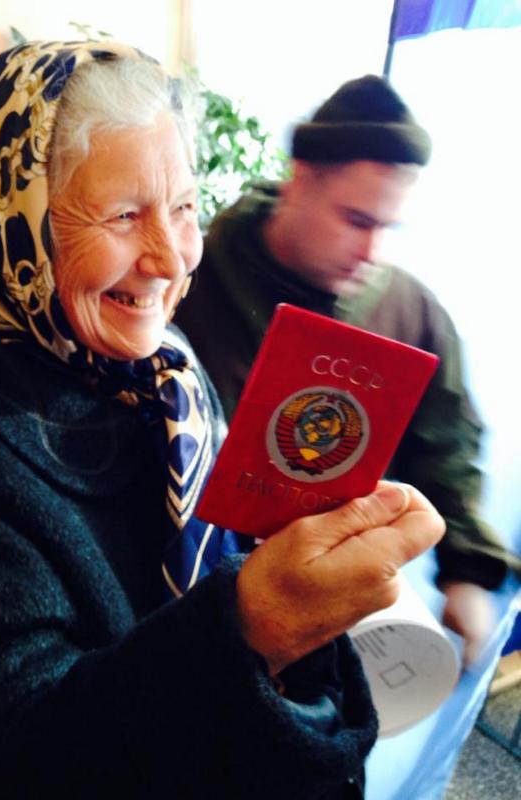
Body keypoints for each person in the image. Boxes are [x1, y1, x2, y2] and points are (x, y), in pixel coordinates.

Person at [0, 42, 446, 799]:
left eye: (184, 207)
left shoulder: (164, 369)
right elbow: (0, 767)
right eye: (123, 215)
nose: (170, 259)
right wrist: (251, 629)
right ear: (15, 219)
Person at [175, 74, 520, 666]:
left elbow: (448, 443)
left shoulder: (410, 308)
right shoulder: (188, 283)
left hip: (344, 608)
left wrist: (466, 570)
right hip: (195, 595)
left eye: (389, 228)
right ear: (300, 179)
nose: (373, 253)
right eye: (358, 221)